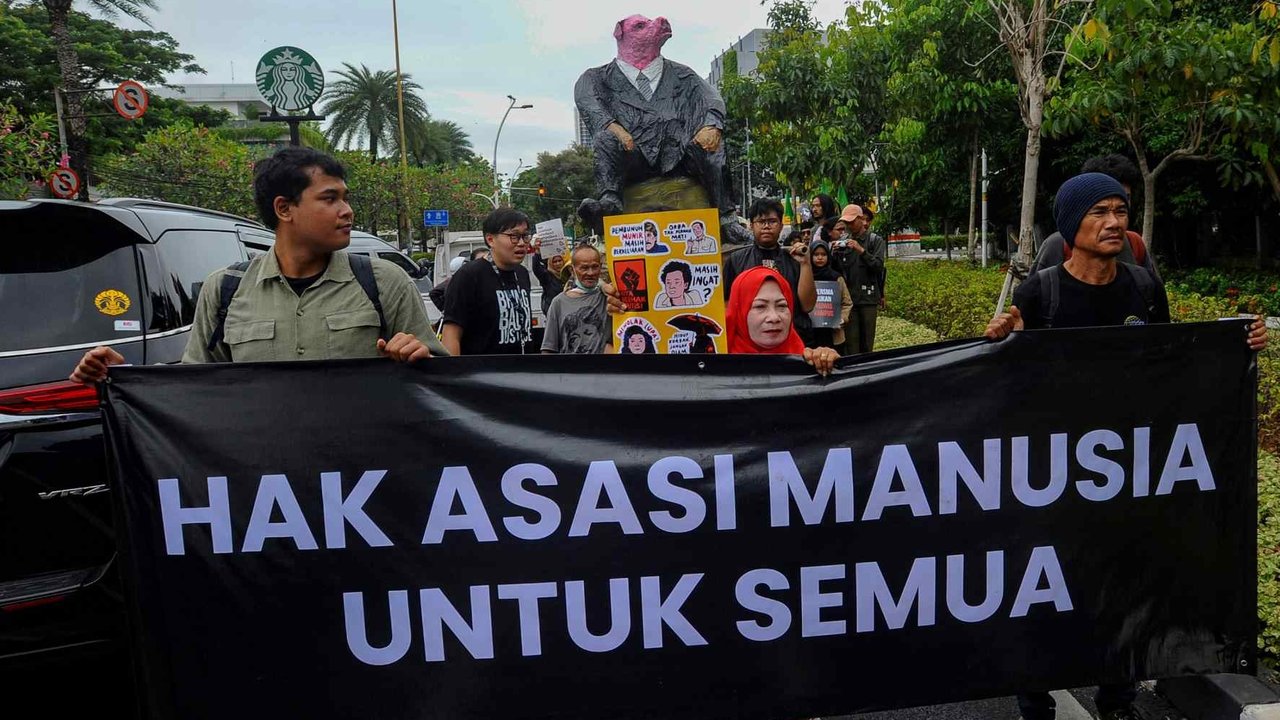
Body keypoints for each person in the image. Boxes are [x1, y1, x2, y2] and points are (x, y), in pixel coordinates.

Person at [984, 172, 1267, 720]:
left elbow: (1169, 363)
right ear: (1071, 225)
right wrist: (1002, 341)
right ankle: (1034, 698)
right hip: (1052, 473)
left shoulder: (1142, 286)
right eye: (1100, 212)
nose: (1115, 222)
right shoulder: (1040, 292)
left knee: (1122, 588)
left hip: (1124, 471)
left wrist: (1238, 342)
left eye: (1121, 210)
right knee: (1045, 591)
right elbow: (1010, 386)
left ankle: (1117, 698)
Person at [70, 146, 441, 382]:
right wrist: (123, 378)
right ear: (284, 209)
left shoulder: (383, 282)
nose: (347, 211)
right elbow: (193, 391)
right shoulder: (224, 290)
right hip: (262, 486)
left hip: (362, 478)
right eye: (330, 199)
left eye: (345, 198)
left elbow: (448, 384)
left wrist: (418, 356)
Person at [1028, 154, 1158, 280]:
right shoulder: (1056, 246)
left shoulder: (1134, 243)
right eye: (1101, 209)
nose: (1113, 221)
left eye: (1125, 199)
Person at [441, 208, 535, 356]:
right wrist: (453, 374)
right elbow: (451, 334)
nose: (522, 243)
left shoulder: (522, 273)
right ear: (490, 239)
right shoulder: (469, 275)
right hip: (481, 375)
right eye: (514, 236)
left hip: (521, 373)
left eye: (525, 236)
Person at [725, 266, 839, 376]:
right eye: (760, 307)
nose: (774, 318)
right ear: (739, 312)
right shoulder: (714, 365)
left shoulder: (807, 361)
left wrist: (828, 363)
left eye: (782, 306)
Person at [723, 197, 817, 325]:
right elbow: (727, 305)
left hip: (793, 332)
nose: (766, 226)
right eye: (761, 221)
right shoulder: (735, 260)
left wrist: (806, 264)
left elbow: (808, 305)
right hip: (752, 336)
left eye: (772, 221)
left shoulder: (796, 258)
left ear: (781, 226)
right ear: (751, 226)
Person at [831, 203, 885, 355]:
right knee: (851, 345)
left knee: (867, 344)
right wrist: (834, 254)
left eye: (852, 221)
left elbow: (878, 266)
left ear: (862, 219)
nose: (849, 225)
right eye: (846, 222)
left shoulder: (875, 240)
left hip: (868, 299)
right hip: (850, 300)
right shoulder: (844, 241)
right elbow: (838, 271)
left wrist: (861, 251)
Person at [542, 243, 611, 354]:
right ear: (572, 270)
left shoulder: (608, 299)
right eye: (584, 268)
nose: (590, 273)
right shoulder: (558, 303)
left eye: (595, 267)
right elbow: (548, 349)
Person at [807, 239, 854, 351]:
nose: (819, 258)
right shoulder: (806, 277)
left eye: (823, 254)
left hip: (833, 334)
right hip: (810, 333)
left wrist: (842, 319)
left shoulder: (836, 278)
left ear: (828, 256)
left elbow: (847, 303)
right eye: (816, 254)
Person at [531, 240, 569, 314]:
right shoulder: (547, 276)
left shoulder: (568, 275)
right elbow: (536, 268)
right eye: (555, 261)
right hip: (552, 313)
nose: (558, 263)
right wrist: (537, 252)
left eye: (559, 260)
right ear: (550, 263)